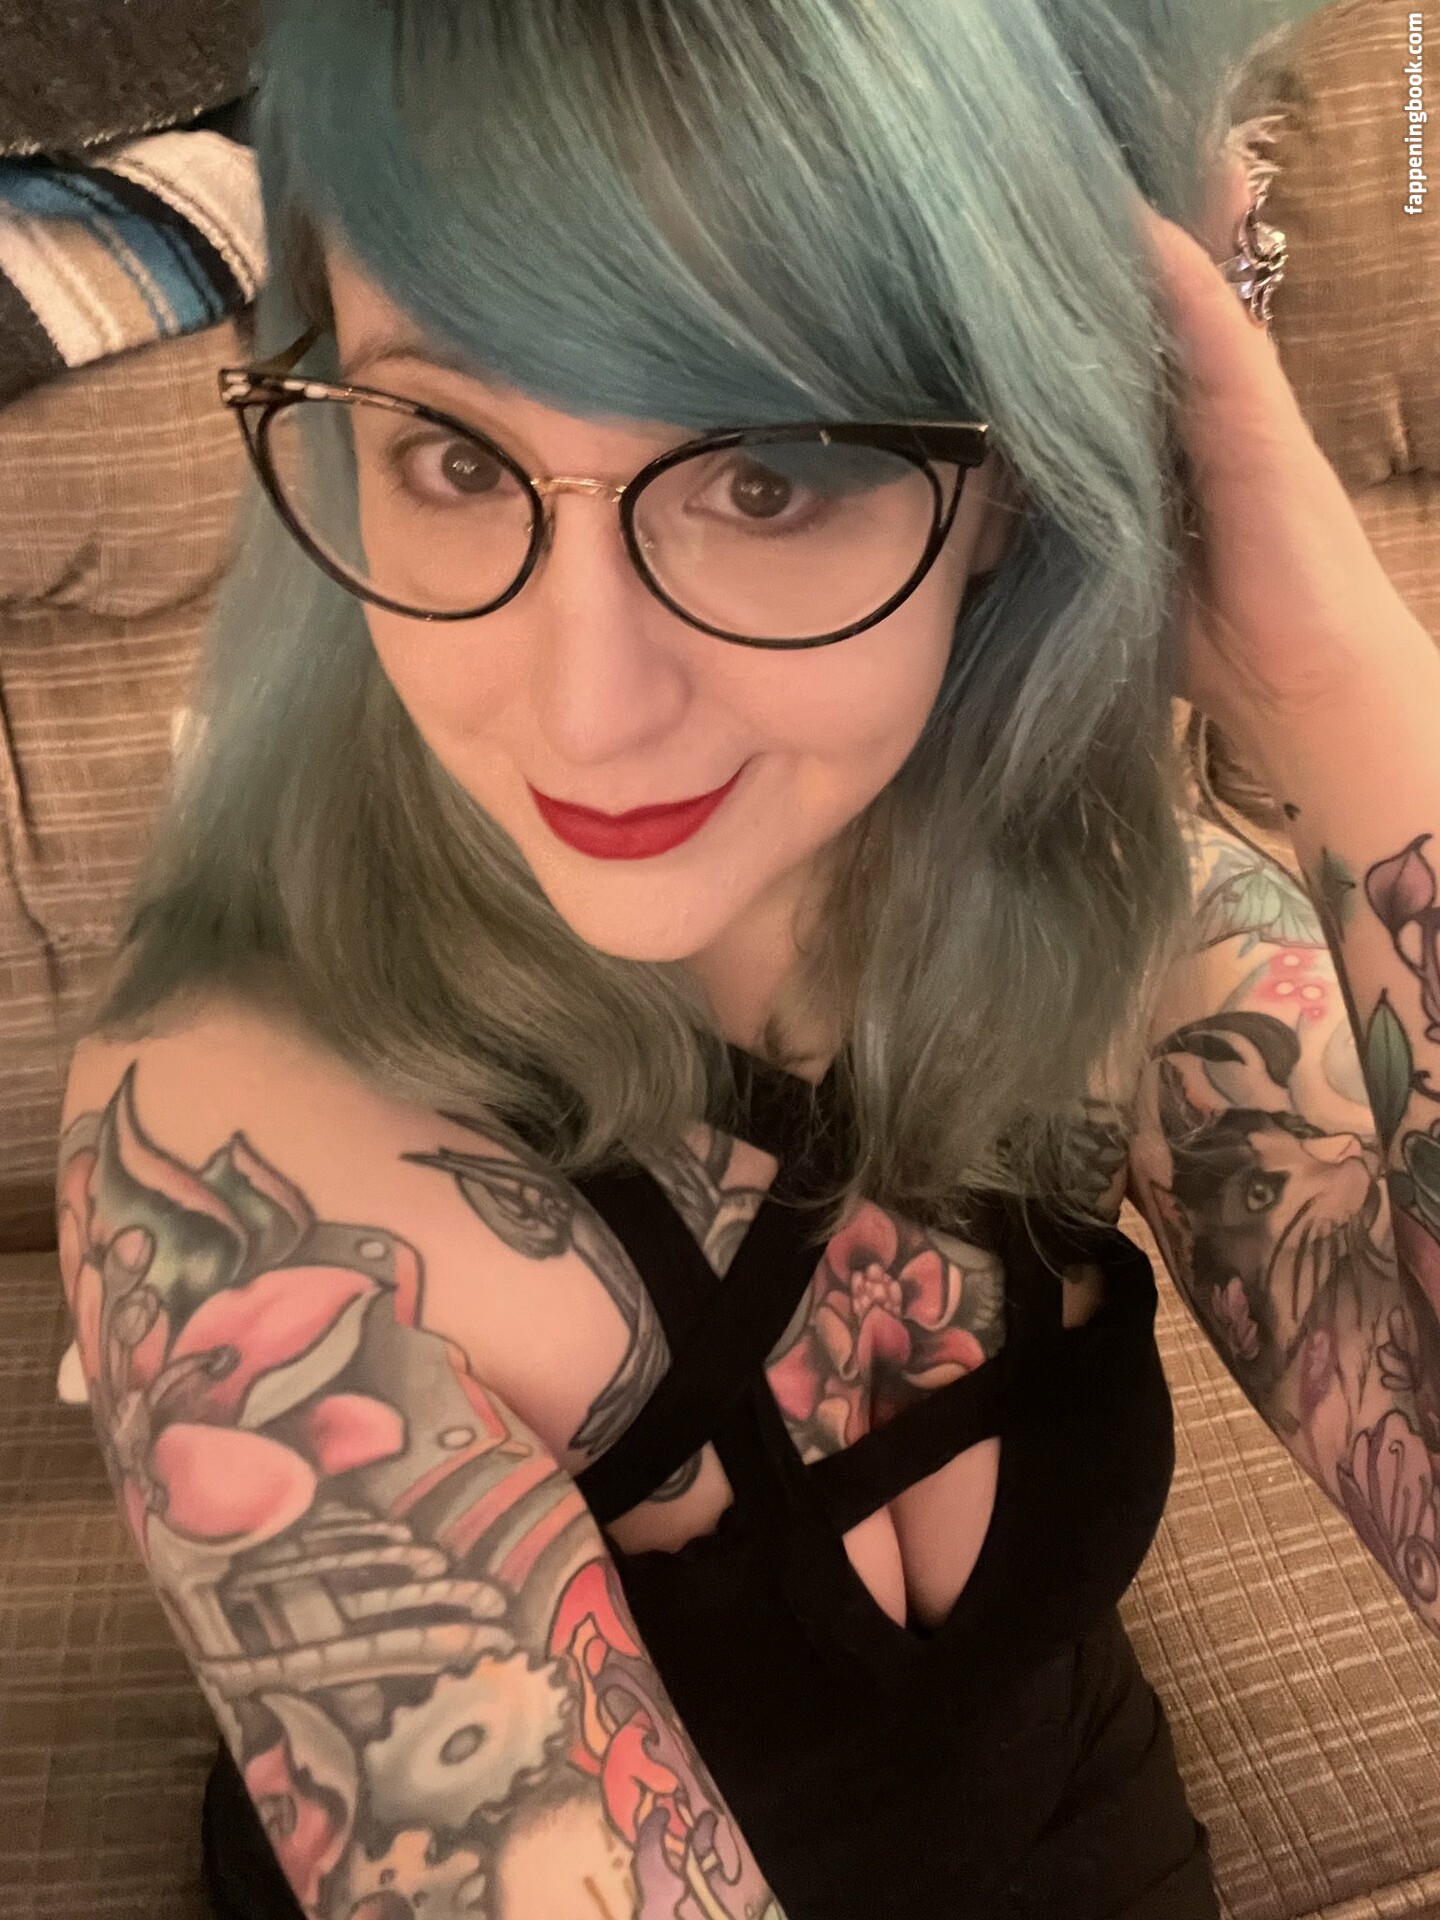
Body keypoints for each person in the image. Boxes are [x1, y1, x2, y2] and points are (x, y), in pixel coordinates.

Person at [53, 0, 1440, 1915]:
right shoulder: (254, 1165)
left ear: (1014, 476)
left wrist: (1337, 684)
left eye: (768, 478)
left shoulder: (1134, 919)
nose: (584, 708)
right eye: (452, 454)